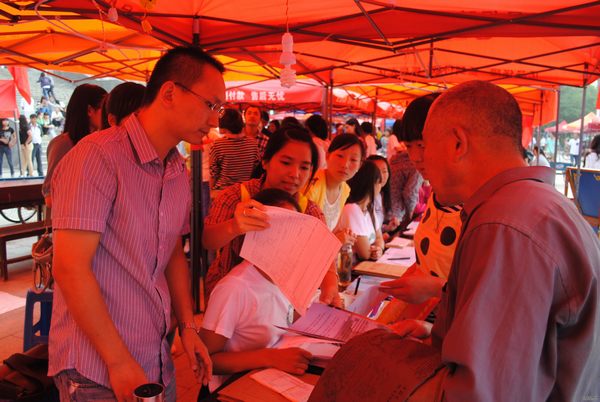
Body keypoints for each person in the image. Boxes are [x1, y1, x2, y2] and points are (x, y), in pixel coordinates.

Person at [403, 81, 600, 400]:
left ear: (457, 144)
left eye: (425, 145)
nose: (419, 160)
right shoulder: (534, 204)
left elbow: (485, 392)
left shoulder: (503, 225)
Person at [48, 46, 224, 402]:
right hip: (97, 368)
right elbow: (69, 268)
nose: (215, 120)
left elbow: (172, 252)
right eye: (211, 105)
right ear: (169, 93)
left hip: (154, 357)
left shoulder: (176, 169)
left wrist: (188, 327)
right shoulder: (97, 157)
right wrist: (117, 361)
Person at [202, 127, 341, 306]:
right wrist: (234, 226)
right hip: (231, 299)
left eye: (304, 167)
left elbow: (324, 254)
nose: (295, 174)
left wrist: (331, 286)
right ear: (265, 161)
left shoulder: (309, 210)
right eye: (286, 162)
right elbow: (208, 241)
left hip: (280, 302)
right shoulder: (236, 196)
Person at [199, 189, 313, 395]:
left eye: (297, 229)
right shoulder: (235, 288)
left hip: (272, 377)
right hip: (232, 388)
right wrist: (269, 357)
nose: (291, 237)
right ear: (254, 230)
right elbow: (207, 359)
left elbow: (291, 320)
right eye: (281, 228)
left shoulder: (288, 277)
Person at [42, 84, 107, 207]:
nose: (107, 115)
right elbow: (50, 197)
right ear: (89, 110)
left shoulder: (101, 141)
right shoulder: (63, 144)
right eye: (104, 109)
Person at [305, 134, 364, 242]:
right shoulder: (312, 187)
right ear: (327, 155)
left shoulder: (345, 189)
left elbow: (328, 230)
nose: (345, 164)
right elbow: (303, 234)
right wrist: (336, 241)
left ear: (359, 165)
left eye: (353, 160)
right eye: (340, 156)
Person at [336, 160, 385, 261]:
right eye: (379, 182)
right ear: (372, 184)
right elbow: (365, 254)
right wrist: (374, 250)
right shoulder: (352, 209)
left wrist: (379, 249)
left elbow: (379, 238)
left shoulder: (369, 208)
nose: (380, 187)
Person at [209, 108, 259, 194]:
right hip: (245, 191)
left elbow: (213, 173)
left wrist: (211, 190)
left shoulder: (218, 144)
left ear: (224, 124)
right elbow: (256, 167)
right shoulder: (253, 143)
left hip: (223, 191)